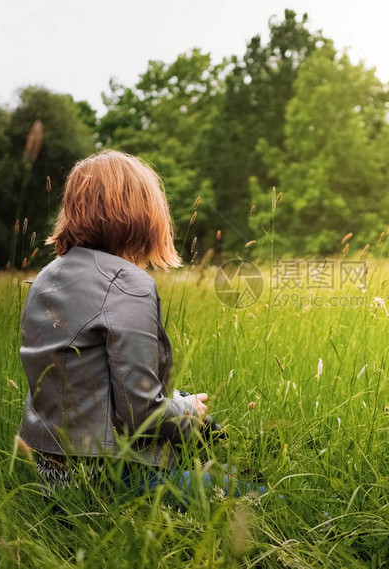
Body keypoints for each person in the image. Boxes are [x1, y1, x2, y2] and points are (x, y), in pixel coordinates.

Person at [18, 149, 250, 499]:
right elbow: (140, 414)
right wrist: (188, 411)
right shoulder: (127, 283)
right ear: (141, 214)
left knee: (196, 425)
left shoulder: (46, 277)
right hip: (107, 478)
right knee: (266, 500)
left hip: (53, 476)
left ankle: (219, 470)